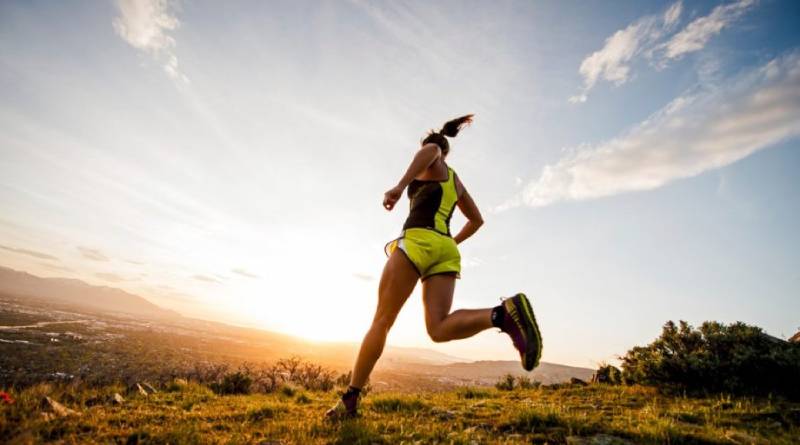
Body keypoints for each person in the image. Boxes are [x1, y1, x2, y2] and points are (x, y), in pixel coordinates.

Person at [326, 114, 542, 419]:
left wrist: (400, 187)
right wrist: (451, 241)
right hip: (445, 249)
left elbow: (429, 151)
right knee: (438, 329)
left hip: (417, 241)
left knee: (382, 320)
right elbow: (477, 220)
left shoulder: (432, 155)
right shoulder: (455, 180)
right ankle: (501, 314)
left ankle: (350, 399)